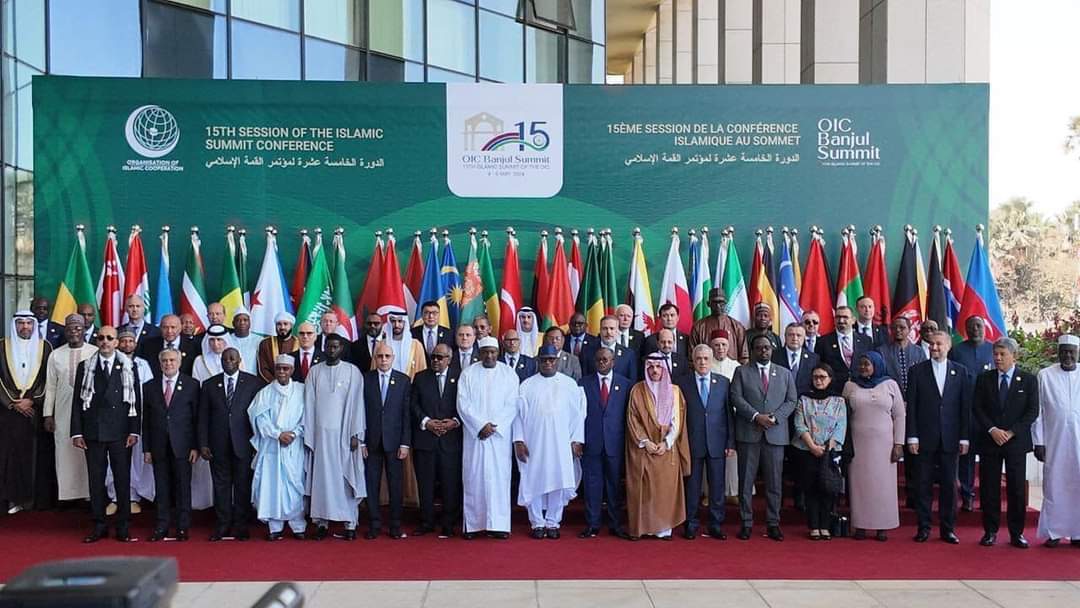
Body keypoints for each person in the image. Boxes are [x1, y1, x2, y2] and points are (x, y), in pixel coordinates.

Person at [71, 325, 141, 543]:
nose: (105, 341)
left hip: (121, 432)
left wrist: (134, 430)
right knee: (96, 481)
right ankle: (99, 525)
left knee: (122, 480)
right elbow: (77, 402)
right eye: (101, 338)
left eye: (110, 338)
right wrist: (77, 432)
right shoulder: (85, 366)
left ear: (117, 342)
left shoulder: (128, 365)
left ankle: (123, 526)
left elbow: (135, 400)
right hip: (94, 431)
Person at [973, 337, 1039, 549]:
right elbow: (977, 408)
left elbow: (1032, 411)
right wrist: (992, 429)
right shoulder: (984, 379)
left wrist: (1011, 432)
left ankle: (1016, 533)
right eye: (995, 354)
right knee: (989, 488)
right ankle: (990, 531)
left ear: (1014, 356)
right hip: (990, 441)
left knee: (1016, 489)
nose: (998, 358)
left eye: (1002, 354)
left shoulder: (1028, 380)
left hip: (1015, 443)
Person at [514, 345, 586, 539]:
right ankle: (537, 523)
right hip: (533, 443)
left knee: (558, 480)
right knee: (533, 481)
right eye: (544, 359)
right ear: (538, 361)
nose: (548, 363)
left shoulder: (569, 384)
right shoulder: (527, 385)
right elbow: (518, 416)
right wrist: (518, 441)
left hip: (561, 443)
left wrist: (577, 440)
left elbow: (578, 416)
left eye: (551, 359)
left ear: (557, 360)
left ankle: (553, 522)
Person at [906, 330, 971, 544]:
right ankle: (924, 527)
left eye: (939, 344)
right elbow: (912, 406)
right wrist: (912, 436)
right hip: (924, 438)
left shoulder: (960, 371)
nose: (934, 347)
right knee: (922, 485)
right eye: (931, 344)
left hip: (951, 438)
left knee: (949, 486)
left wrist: (964, 437)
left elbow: (964, 407)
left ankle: (948, 529)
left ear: (948, 346)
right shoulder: (917, 371)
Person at [731, 334, 797, 541]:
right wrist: (755, 416)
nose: (763, 351)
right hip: (748, 434)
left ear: (772, 349)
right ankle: (746, 523)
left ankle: (773, 523)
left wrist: (774, 418)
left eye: (767, 347)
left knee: (774, 482)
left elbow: (791, 400)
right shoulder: (741, 372)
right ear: (752, 351)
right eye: (759, 348)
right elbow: (736, 397)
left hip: (775, 435)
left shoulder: (785, 373)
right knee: (745, 481)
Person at [304, 333, 366, 540]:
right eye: (329, 346)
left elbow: (358, 404)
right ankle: (321, 523)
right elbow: (309, 404)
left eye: (335, 347)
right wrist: (311, 435)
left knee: (346, 478)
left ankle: (350, 523)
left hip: (345, 435)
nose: (331, 350)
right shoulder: (314, 372)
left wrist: (356, 433)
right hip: (321, 437)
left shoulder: (353, 372)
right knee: (322, 480)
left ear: (342, 348)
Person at [199, 347, 265, 541]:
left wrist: (257, 444)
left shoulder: (253, 383)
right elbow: (203, 417)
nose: (228, 362)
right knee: (221, 487)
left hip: (244, 444)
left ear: (239, 360)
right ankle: (222, 525)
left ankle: (241, 526)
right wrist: (203, 443)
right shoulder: (209, 384)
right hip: (217, 445)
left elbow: (259, 416)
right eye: (225, 359)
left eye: (232, 359)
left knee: (243, 486)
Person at [457, 336, 520, 539]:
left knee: (499, 480)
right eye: (485, 352)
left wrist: (494, 426)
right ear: (480, 353)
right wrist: (480, 425)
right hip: (475, 437)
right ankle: (473, 525)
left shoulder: (509, 374)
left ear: (498, 352)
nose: (489, 356)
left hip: (499, 437)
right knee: (474, 478)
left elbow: (512, 404)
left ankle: (498, 525)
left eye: (493, 352)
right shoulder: (468, 374)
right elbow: (463, 404)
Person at [625, 353, 690, 539]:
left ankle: (663, 529)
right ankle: (643, 528)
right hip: (644, 449)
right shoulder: (637, 390)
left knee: (664, 490)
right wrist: (645, 442)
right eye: (651, 367)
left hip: (666, 448)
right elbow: (633, 419)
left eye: (658, 367)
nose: (654, 370)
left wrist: (666, 442)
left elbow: (677, 421)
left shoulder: (674, 391)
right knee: (644, 490)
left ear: (664, 369)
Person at [844, 351, 905, 541]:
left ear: (877, 365)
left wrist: (899, 443)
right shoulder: (850, 385)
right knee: (859, 486)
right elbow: (841, 413)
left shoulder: (890, 384)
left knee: (883, 486)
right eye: (861, 364)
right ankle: (860, 525)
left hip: (885, 445)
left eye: (867, 364)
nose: (863, 367)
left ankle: (882, 526)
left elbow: (900, 415)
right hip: (857, 444)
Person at [677, 344, 735, 540]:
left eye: (706, 359)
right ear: (693, 361)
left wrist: (730, 442)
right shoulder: (682, 383)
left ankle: (715, 524)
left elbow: (729, 414)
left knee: (717, 486)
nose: (702, 362)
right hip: (692, 442)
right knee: (692, 487)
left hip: (717, 442)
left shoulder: (724, 382)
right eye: (699, 359)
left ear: (711, 361)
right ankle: (691, 523)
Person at [142, 348, 198, 542]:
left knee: (183, 487)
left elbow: (196, 418)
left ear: (179, 362)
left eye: (172, 360)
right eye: (165, 361)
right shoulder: (149, 386)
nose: (168, 364)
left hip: (183, 446)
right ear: (159, 364)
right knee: (162, 487)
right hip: (158, 446)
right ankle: (162, 526)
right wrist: (146, 449)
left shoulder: (191, 385)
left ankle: (182, 527)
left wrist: (195, 446)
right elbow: (146, 421)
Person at [249, 355, 308, 541]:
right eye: (279, 368)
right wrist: (277, 434)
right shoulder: (265, 393)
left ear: (292, 370)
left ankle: (298, 526)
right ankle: (275, 527)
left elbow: (308, 416)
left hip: (295, 445)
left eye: (285, 368)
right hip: (272, 446)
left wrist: (294, 433)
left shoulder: (302, 390)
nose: (282, 372)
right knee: (273, 485)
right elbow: (259, 418)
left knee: (295, 484)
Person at [0, 310, 52, 514]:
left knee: (34, 455)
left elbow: (48, 379)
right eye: (20, 323)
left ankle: (32, 501)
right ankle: (12, 499)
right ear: (14, 325)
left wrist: (32, 400)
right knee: (10, 455)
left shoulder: (44, 347)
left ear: (34, 325)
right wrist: (12, 402)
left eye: (28, 323)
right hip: (8, 413)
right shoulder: (2, 346)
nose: (25, 327)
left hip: (34, 412)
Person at [410, 343, 463, 538]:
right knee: (425, 483)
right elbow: (413, 404)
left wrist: (455, 421)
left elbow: (466, 403)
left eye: (440, 357)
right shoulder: (421, 377)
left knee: (450, 483)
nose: (435, 361)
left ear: (449, 359)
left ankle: (448, 523)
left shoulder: (460, 377)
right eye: (433, 357)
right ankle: (427, 522)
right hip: (426, 439)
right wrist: (427, 422)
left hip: (451, 439)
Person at [578, 346, 631, 539]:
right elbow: (578, 415)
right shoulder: (583, 383)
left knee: (614, 486)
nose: (601, 362)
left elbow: (628, 416)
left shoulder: (626, 385)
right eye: (598, 360)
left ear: (613, 362)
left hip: (615, 443)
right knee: (592, 486)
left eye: (605, 360)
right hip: (592, 442)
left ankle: (616, 524)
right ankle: (592, 524)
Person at [43, 314, 96, 503]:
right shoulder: (55, 354)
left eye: (78, 328)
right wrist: (48, 414)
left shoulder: (94, 352)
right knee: (64, 451)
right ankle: (67, 495)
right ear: (65, 331)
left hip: (89, 411)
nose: (74, 332)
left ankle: (89, 495)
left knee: (87, 451)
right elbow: (50, 386)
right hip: (63, 411)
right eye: (70, 328)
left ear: (84, 330)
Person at [362, 341, 412, 539]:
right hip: (371, 441)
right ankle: (374, 524)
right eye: (380, 356)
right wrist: (362, 441)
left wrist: (405, 443)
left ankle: (395, 525)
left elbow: (406, 414)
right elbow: (360, 412)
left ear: (393, 358)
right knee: (371, 484)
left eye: (387, 356)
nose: (383, 360)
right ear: (375, 358)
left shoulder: (403, 380)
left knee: (395, 484)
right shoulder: (366, 379)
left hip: (395, 442)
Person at [1034, 335, 1080, 547]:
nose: (1068, 356)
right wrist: (1038, 441)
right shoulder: (1045, 375)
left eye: (1071, 352)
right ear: (1058, 353)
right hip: (1054, 441)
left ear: (1077, 353)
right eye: (1064, 352)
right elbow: (1038, 412)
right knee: (1054, 485)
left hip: (1078, 442)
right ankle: (1053, 532)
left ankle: (1077, 533)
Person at [792, 363, 846, 540]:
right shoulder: (804, 399)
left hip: (830, 452)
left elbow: (841, 426)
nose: (819, 380)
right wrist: (812, 446)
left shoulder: (838, 400)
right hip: (807, 450)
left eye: (822, 377)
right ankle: (814, 526)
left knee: (827, 488)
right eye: (815, 377)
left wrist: (828, 447)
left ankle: (825, 526)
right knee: (811, 488)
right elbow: (799, 424)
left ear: (830, 379)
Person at [949, 315, 994, 512]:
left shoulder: (994, 350)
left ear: (984, 328)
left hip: (989, 414)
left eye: (978, 326)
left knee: (988, 459)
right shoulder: (957, 351)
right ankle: (967, 496)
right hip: (964, 411)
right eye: (971, 326)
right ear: (965, 330)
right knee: (966, 458)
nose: (975, 329)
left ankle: (986, 497)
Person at [111, 328, 155, 513]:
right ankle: (115, 497)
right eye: (123, 341)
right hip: (115, 420)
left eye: (130, 341)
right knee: (114, 459)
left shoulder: (143, 364)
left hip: (139, 418)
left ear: (135, 344)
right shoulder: (111, 363)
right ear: (117, 344)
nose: (127, 344)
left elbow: (150, 392)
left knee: (137, 460)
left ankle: (134, 496)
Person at [708, 329, 740, 502]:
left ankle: (732, 491)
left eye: (723, 345)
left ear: (728, 346)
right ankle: (709, 492)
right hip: (711, 417)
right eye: (717, 345)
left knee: (731, 456)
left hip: (731, 415)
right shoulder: (706, 363)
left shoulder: (736, 366)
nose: (720, 348)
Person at [815, 306, 871, 391]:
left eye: (845, 317)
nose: (841, 320)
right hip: (834, 390)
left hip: (861, 388)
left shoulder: (866, 340)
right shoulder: (823, 342)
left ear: (853, 320)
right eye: (838, 317)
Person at [690, 288, 749, 364]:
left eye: (721, 302)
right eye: (714, 302)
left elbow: (744, 357)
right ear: (708, 304)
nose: (718, 306)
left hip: (733, 370)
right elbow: (692, 357)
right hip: (706, 369)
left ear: (726, 303)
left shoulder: (737, 326)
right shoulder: (698, 327)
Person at [583, 315, 638, 381]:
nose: (608, 332)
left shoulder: (628, 354)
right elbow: (584, 379)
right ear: (600, 331)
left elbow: (632, 381)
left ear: (617, 331)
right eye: (605, 328)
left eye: (612, 328)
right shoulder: (588, 352)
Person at [773, 322, 819, 396]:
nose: (795, 338)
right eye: (791, 335)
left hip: (803, 400)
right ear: (785, 336)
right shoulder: (774, 356)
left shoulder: (814, 358)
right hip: (779, 399)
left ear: (804, 338)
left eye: (798, 335)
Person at [382, 308, 427, 379]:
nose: (396, 325)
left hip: (411, 384)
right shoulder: (381, 345)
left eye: (400, 321)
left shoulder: (416, 345)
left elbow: (422, 371)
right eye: (393, 321)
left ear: (405, 323)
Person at [256, 312, 299, 382]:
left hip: (295, 385)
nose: (282, 327)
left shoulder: (299, 343)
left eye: (285, 324)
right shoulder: (265, 343)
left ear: (291, 326)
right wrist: (274, 383)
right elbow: (263, 369)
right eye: (279, 324)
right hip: (270, 384)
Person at [230, 307, 261, 375]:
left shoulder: (259, 340)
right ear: (233, 323)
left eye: (245, 320)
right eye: (238, 320)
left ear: (250, 323)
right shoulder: (227, 340)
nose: (242, 323)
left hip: (254, 378)